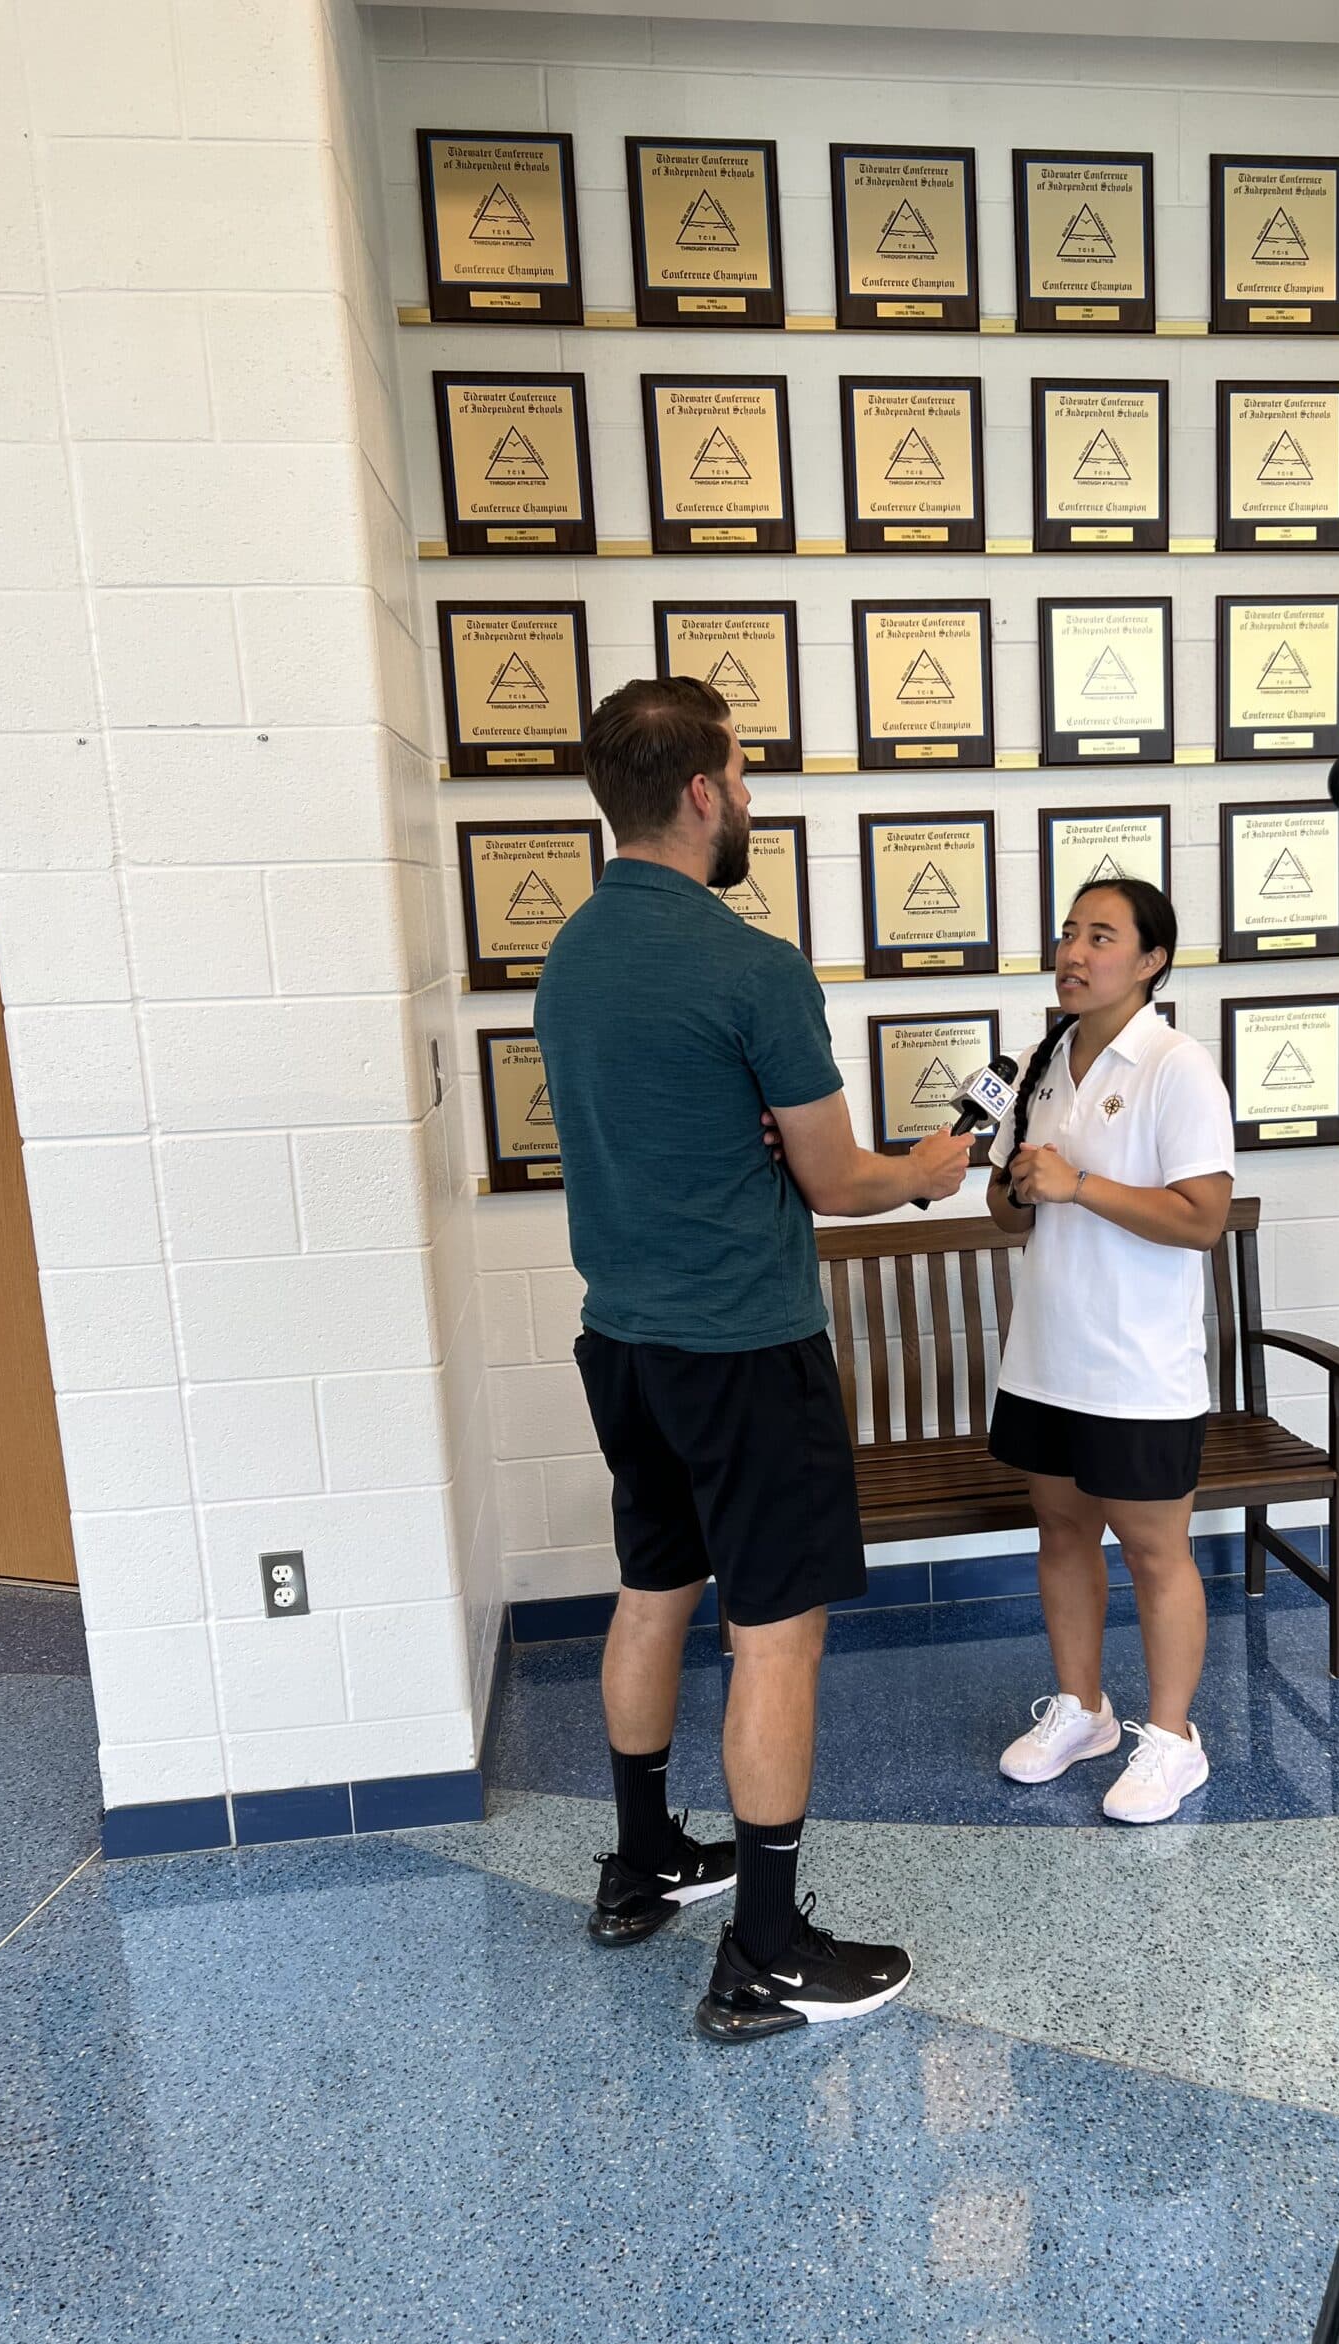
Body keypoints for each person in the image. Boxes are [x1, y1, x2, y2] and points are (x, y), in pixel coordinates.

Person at [534, 675, 973, 2042]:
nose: (752, 798)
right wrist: (927, 1170)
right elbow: (837, 1179)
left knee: (653, 1589)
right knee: (776, 1639)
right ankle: (766, 1953)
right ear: (705, 792)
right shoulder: (751, 967)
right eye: (744, 772)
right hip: (745, 1348)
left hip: (625, 1342)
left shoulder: (572, 955)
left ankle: (642, 1860)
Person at [985, 880, 1235, 1822]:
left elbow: (1202, 1220)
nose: (1074, 953)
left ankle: (1172, 1741)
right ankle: (1083, 1711)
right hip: (1047, 1356)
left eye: (1101, 936)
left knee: (1155, 1552)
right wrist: (1016, 1188)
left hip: (1139, 1369)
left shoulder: (1176, 1065)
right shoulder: (1042, 1063)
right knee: (1060, 1531)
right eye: (1067, 934)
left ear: (1151, 961)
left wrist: (1079, 1183)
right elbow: (1007, 1219)